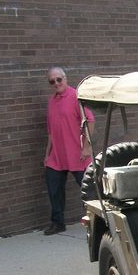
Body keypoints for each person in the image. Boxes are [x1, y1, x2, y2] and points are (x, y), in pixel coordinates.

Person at [43, 66, 94, 235]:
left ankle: (94, 221)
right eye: (52, 81)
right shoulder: (51, 101)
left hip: (77, 154)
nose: (56, 83)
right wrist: (47, 154)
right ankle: (58, 223)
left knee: (89, 189)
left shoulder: (75, 96)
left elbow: (90, 121)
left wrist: (86, 147)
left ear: (65, 78)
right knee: (54, 188)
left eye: (59, 79)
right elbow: (50, 131)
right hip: (57, 156)